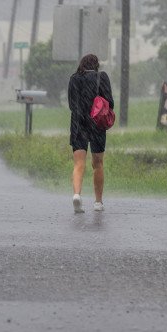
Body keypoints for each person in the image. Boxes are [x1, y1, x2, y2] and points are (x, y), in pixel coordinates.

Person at [67, 53, 114, 213]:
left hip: (78, 123)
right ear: (96, 65)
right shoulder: (102, 77)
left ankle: (76, 195)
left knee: (79, 163)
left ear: (82, 64)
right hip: (97, 124)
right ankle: (98, 202)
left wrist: (81, 113)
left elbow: (71, 104)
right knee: (98, 163)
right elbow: (110, 102)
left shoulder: (74, 79)